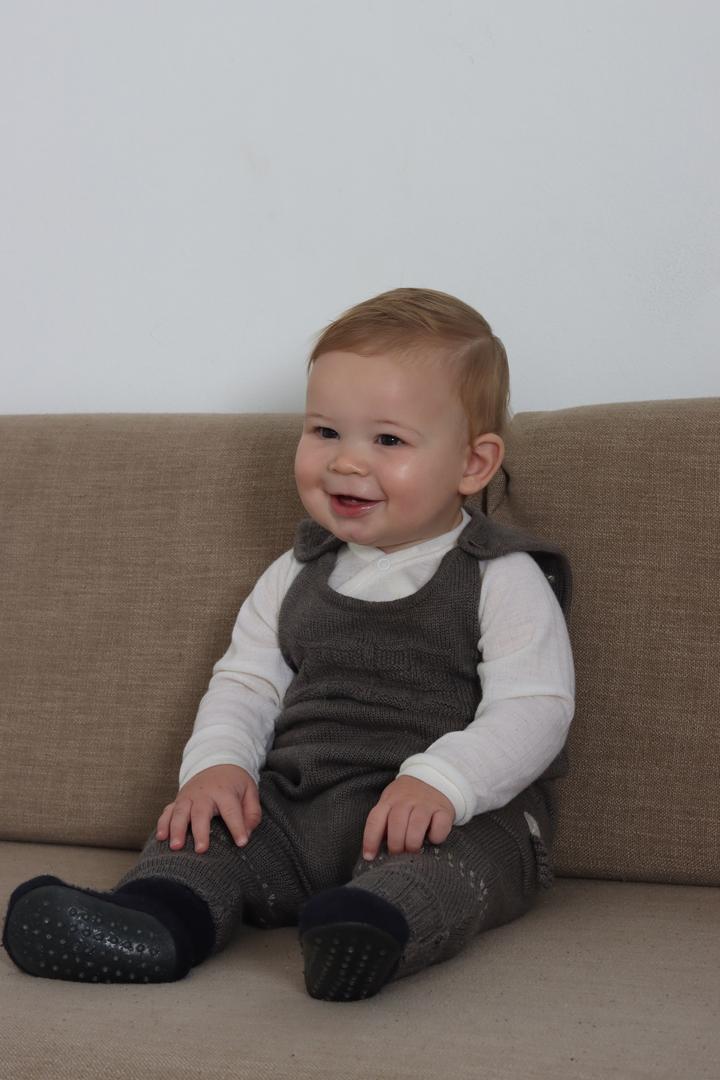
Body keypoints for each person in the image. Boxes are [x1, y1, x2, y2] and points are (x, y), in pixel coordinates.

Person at [3, 287, 574, 1001]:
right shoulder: (297, 572)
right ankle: (155, 919)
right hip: (300, 806)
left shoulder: (500, 575)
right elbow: (246, 684)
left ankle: (368, 934)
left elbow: (536, 708)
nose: (346, 462)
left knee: (455, 867)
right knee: (208, 834)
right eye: (325, 432)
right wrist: (216, 766)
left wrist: (445, 781)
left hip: (443, 815)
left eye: (388, 440)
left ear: (473, 463)